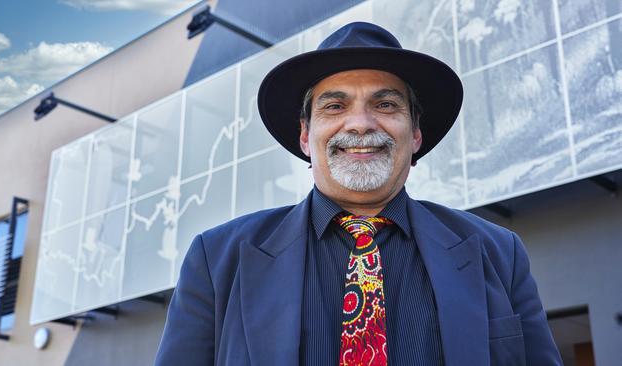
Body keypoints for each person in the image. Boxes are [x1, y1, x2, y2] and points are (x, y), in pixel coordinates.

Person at [155, 22, 562, 366]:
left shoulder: (499, 253)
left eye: (385, 104)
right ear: (305, 135)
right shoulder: (216, 260)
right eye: (335, 106)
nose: (362, 124)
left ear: (415, 132)